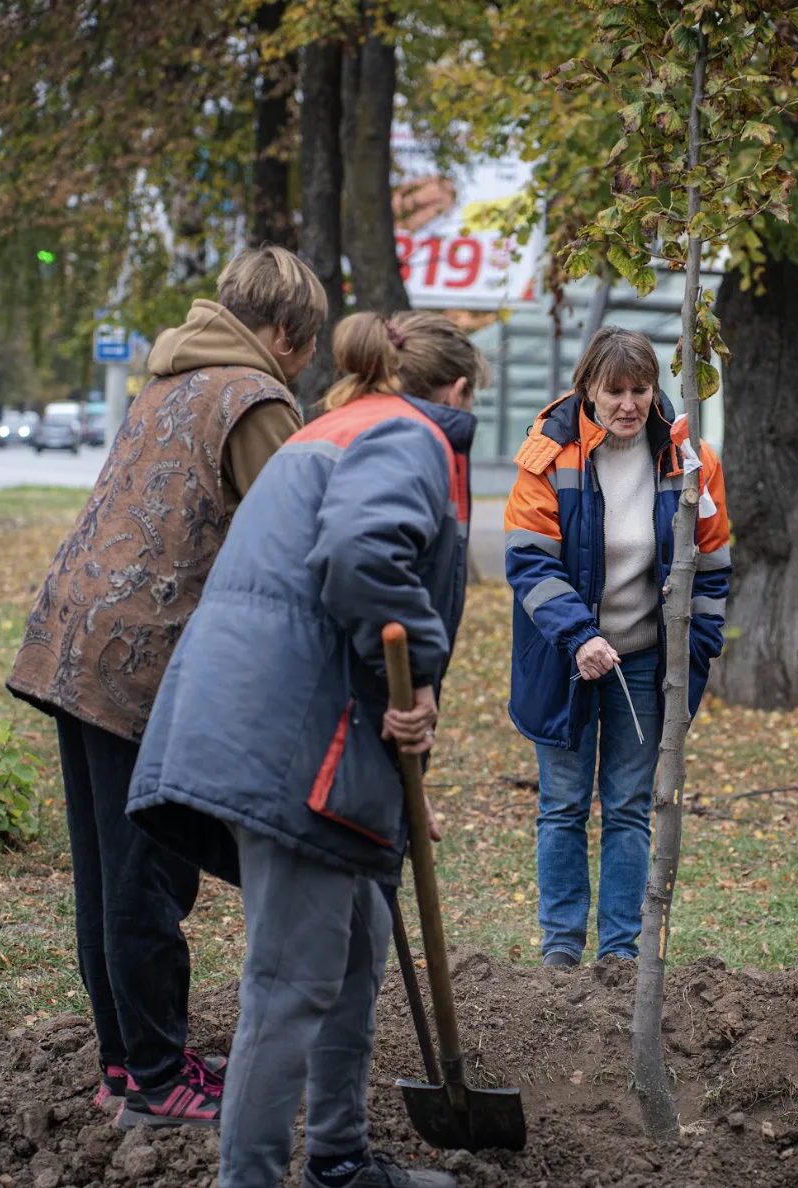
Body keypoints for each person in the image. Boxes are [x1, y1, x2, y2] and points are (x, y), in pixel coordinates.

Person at [127, 310, 484, 1188]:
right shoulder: (408, 438)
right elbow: (363, 561)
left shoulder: (330, 427)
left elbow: (342, 607)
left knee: (359, 948)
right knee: (289, 984)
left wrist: (406, 781)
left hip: (288, 726)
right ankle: (246, 1178)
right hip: (288, 746)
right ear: (462, 392)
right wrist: (424, 672)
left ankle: (338, 1159)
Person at [7, 245, 327, 1128]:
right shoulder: (254, 397)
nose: (303, 363)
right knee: (148, 875)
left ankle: (128, 1063)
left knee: (106, 872)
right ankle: (154, 1074)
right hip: (140, 661)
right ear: (281, 333)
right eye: (304, 346)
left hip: (74, 637)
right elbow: (294, 541)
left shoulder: (168, 378)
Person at [503, 326, 730, 967]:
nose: (628, 405)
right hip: (565, 657)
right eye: (614, 391)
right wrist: (579, 636)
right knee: (564, 804)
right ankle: (561, 953)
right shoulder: (549, 453)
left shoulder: (689, 459)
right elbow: (529, 561)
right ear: (588, 390)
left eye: (640, 389)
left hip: (647, 660)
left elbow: (712, 565)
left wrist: (695, 653)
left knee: (629, 807)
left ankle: (621, 956)